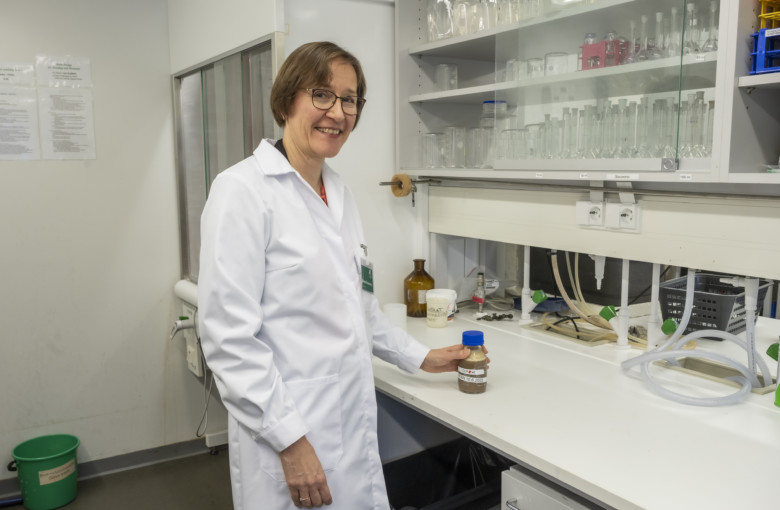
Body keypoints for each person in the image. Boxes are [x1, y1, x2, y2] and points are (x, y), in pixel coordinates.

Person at [198, 41, 481, 510]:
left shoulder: (339, 193)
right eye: (323, 95)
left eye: (350, 100)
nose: (338, 112)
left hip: (348, 423)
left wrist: (422, 357)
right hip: (289, 429)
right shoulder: (242, 192)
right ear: (288, 100)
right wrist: (289, 441)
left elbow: (360, 310)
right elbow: (229, 340)